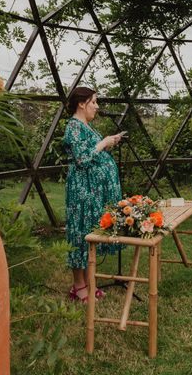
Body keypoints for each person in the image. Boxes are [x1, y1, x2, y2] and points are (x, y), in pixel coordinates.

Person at [63, 87, 125, 302]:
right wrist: (103, 143)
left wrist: (108, 143)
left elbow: (94, 153)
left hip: (93, 191)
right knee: (81, 233)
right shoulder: (74, 127)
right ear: (82, 103)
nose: (97, 107)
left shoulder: (85, 126)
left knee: (90, 232)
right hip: (83, 191)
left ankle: (89, 284)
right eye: (94, 102)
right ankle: (79, 286)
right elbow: (82, 159)